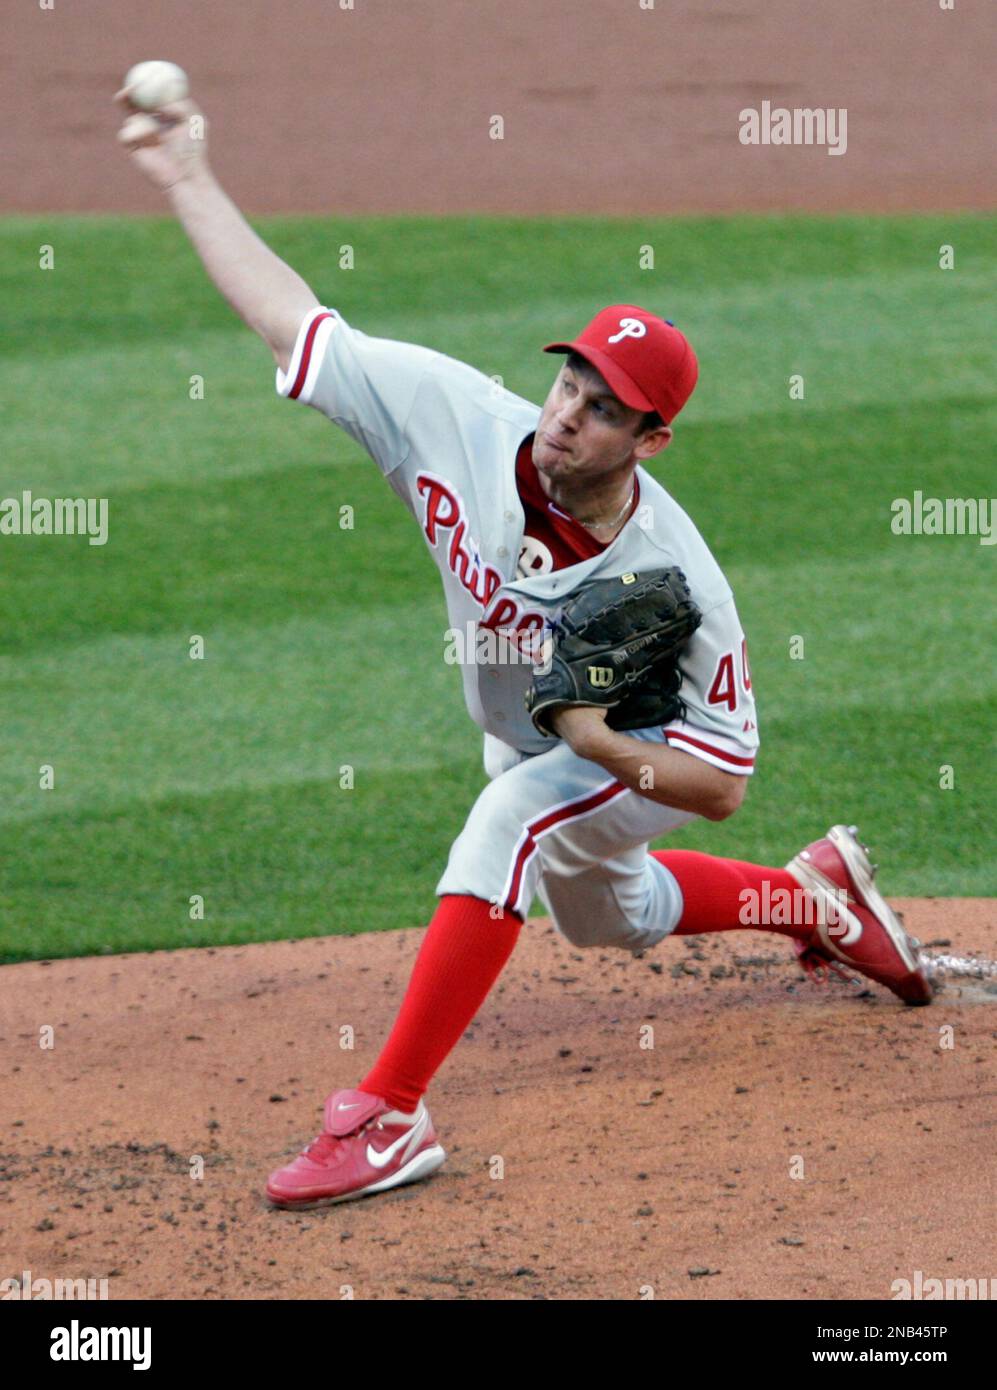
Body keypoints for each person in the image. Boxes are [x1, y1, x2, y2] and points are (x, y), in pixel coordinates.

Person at [117, 90, 933, 1211]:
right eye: (568, 383)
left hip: (650, 743)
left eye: (605, 412)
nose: (566, 417)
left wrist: (599, 737)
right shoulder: (451, 415)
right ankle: (819, 902)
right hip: (533, 730)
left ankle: (389, 1116)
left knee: (508, 822)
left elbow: (724, 783)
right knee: (610, 916)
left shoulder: (676, 580)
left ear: (651, 439)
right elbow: (294, 322)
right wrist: (187, 177)